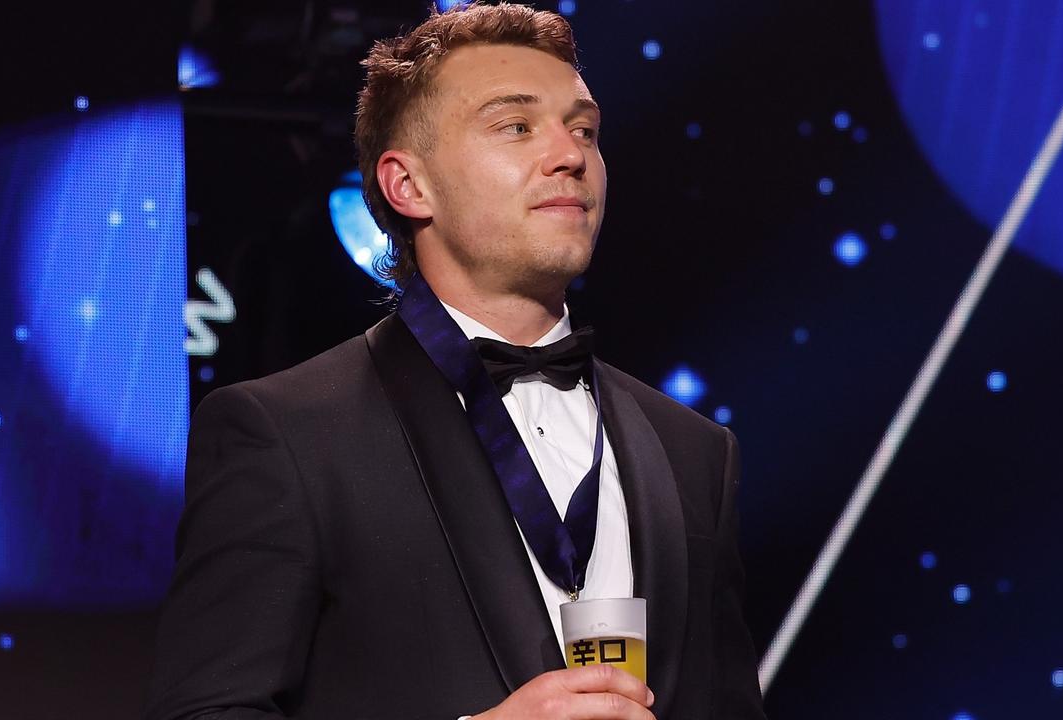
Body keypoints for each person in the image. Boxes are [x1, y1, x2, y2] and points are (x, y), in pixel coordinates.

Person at [145, 3, 767, 719]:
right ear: (407, 185)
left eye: (584, 129)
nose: (570, 154)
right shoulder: (286, 435)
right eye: (516, 126)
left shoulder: (694, 452)